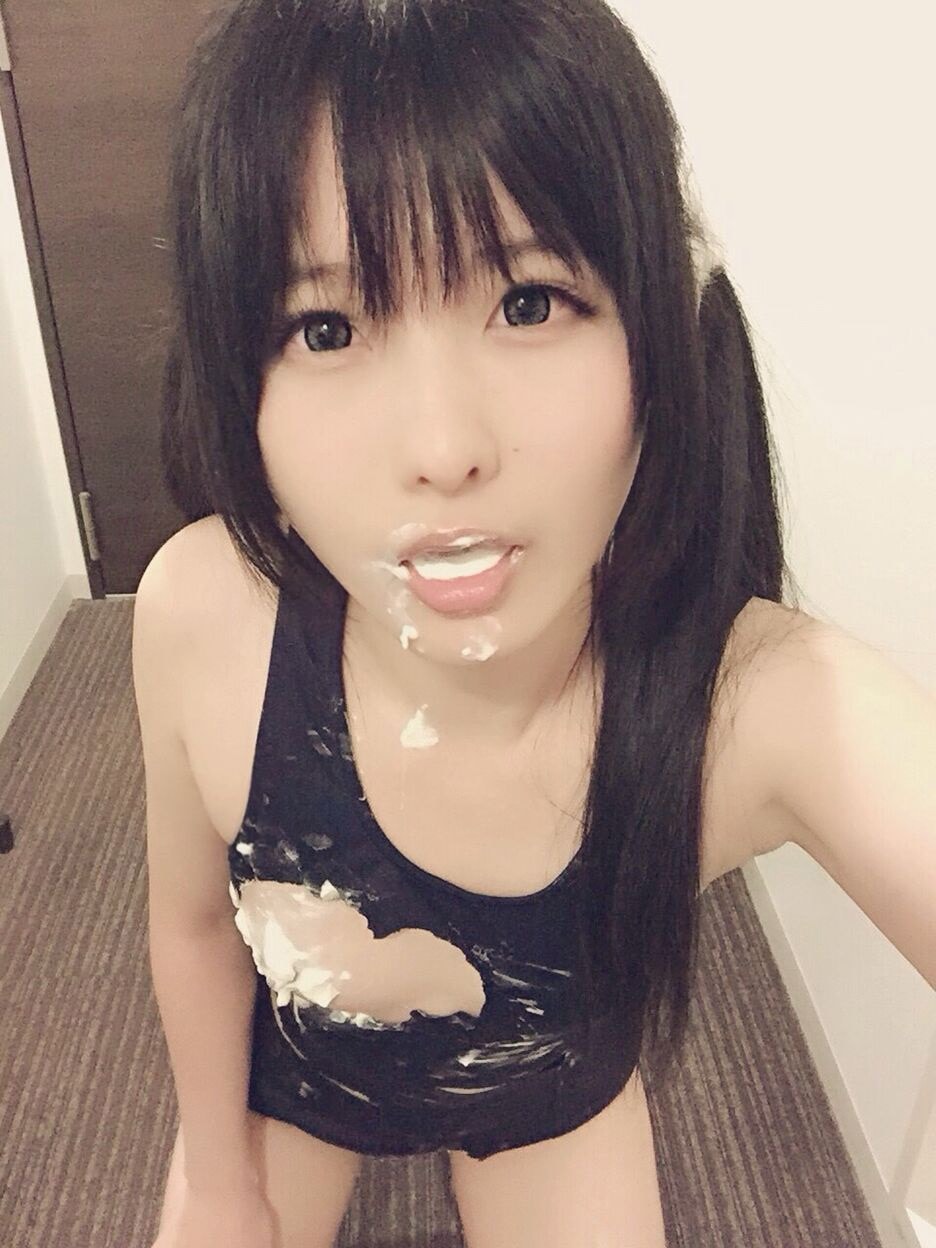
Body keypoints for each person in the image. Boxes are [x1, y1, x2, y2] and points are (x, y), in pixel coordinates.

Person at [132, 2, 936, 1247]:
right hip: (298, 1081)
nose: (444, 448)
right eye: (327, 328)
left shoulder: (754, 707)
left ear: (662, 334)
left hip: (548, 1095)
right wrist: (224, 1180)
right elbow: (192, 926)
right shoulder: (205, 616)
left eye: (529, 303)